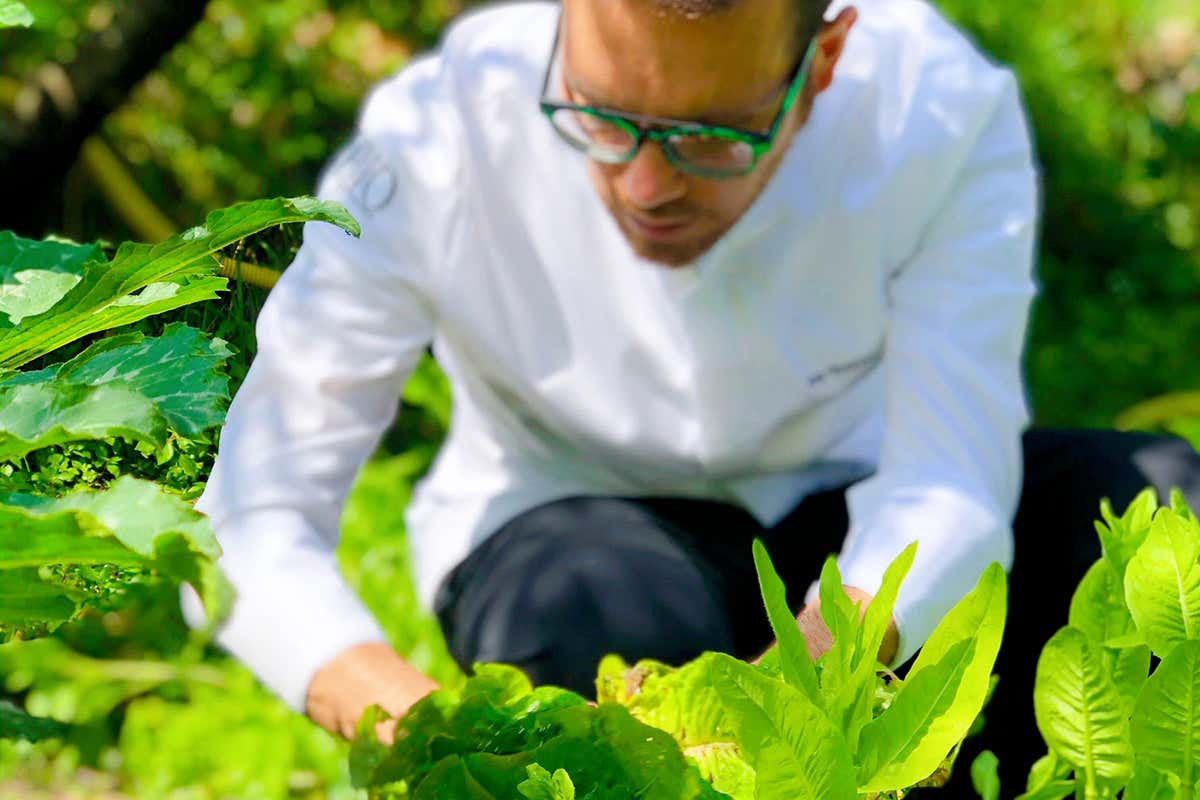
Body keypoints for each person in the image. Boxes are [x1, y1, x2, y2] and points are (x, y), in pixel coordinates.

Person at [182, 0, 1200, 793]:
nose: (646, 187)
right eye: (600, 117)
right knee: (596, 626)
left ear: (824, 63)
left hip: (853, 523)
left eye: (711, 138)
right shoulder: (435, 133)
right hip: (570, 518)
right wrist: (437, 735)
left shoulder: (936, 111)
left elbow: (951, 484)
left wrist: (777, 706)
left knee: (1158, 510)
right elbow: (248, 518)